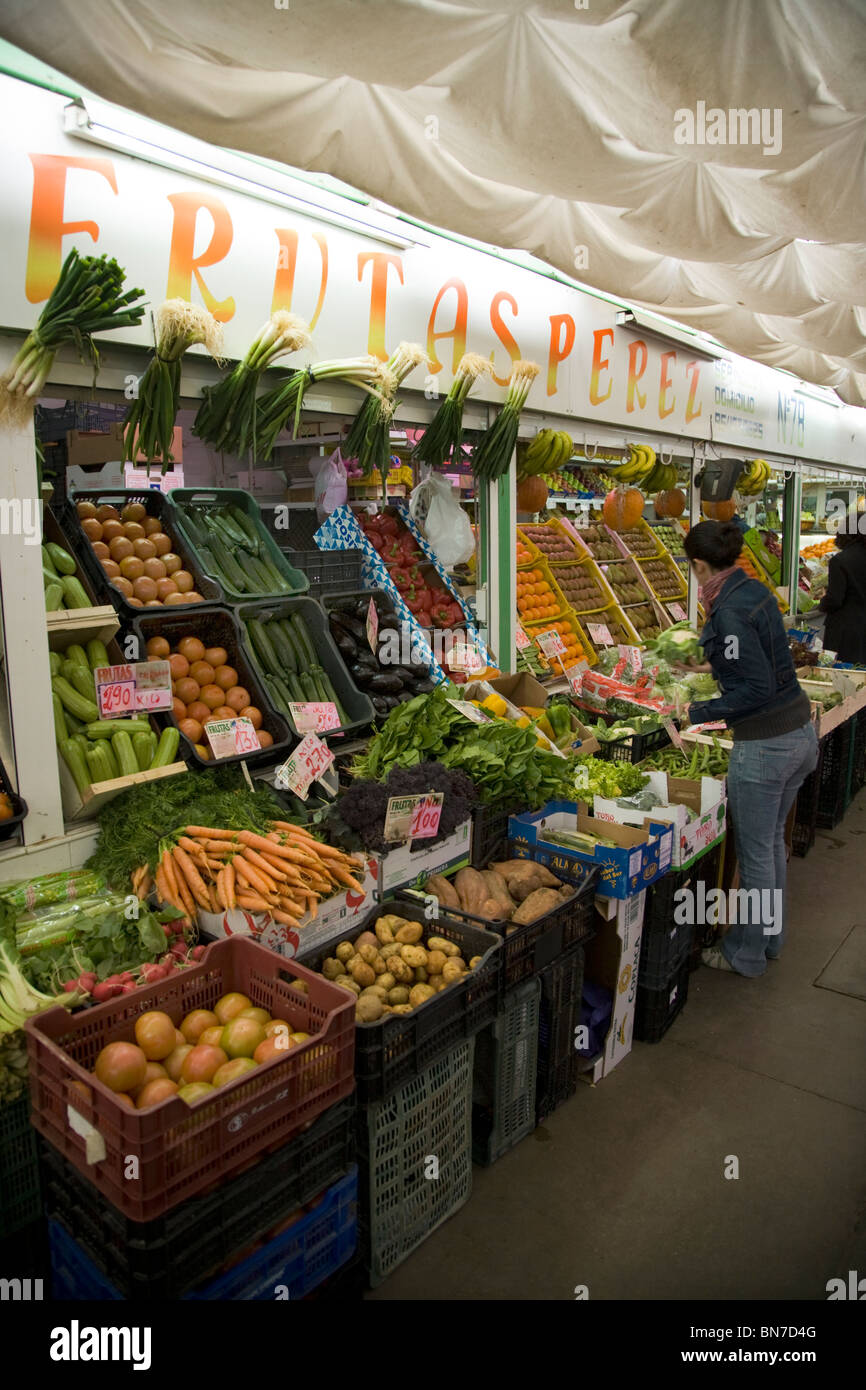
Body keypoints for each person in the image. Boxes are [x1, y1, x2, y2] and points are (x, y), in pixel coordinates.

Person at [682, 520, 818, 978]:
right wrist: (705, 657)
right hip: (799, 732)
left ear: (700, 566)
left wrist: (696, 712)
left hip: (767, 744)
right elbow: (747, 654)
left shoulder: (728, 610)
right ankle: (770, 940)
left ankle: (746, 954)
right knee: (772, 845)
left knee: (757, 853)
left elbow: (755, 688)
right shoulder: (752, 590)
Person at [820, 509, 866, 665]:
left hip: (844, 632)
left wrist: (822, 602)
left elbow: (835, 599)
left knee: (840, 675)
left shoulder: (840, 561)